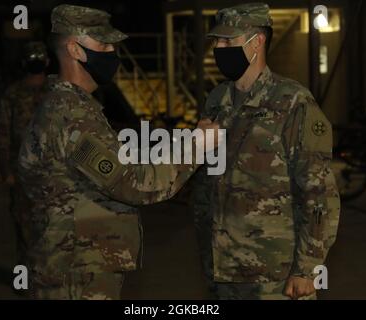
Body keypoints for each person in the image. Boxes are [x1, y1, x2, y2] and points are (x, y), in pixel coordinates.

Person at [18, 4, 219, 300]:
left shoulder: (68, 106)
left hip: (72, 265)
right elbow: (136, 185)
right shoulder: (72, 115)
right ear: (75, 50)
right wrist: (198, 145)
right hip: (78, 274)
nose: (113, 52)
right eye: (103, 44)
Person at [192, 2, 340, 300]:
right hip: (224, 268)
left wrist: (307, 268)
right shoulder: (217, 99)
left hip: (275, 272)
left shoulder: (292, 101)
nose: (219, 48)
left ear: (257, 41)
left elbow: (318, 191)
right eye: (217, 41)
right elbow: (207, 181)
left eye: (228, 41)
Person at [0, 41, 49, 266]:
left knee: (30, 228)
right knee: (34, 226)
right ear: (46, 62)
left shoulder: (14, 93)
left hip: (35, 171)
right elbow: (3, 134)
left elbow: (3, 135)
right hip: (35, 172)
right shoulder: (58, 91)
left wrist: (6, 171)